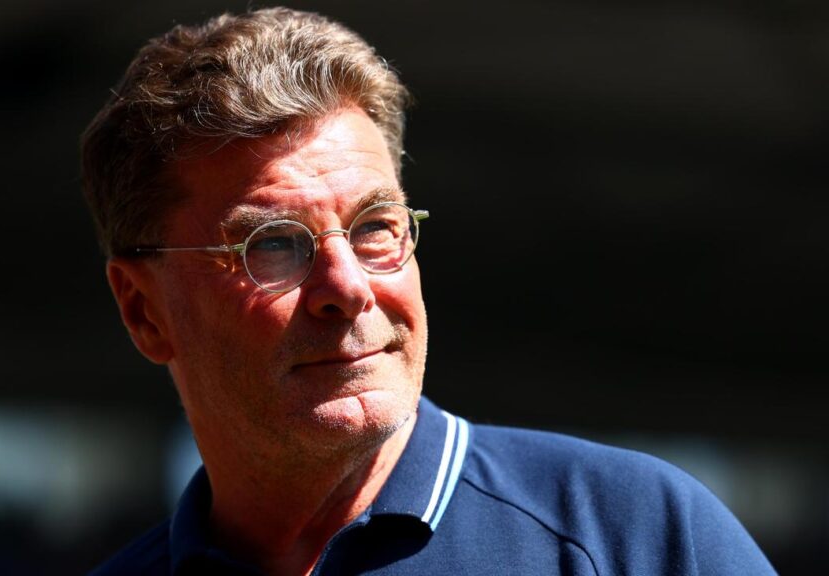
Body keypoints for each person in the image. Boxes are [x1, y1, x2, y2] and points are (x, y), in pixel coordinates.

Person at [80, 7, 775, 575]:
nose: (348, 287)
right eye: (274, 244)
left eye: (375, 227)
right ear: (144, 311)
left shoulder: (634, 535)